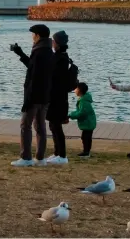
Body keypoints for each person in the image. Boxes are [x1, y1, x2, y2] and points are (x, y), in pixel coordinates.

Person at [10, 23, 53, 167]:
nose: (32, 37)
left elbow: (33, 76)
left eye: (33, 35)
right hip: (45, 96)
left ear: (38, 35)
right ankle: (40, 158)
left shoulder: (39, 51)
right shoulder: (48, 51)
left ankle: (26, 157)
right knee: (40, 126)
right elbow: (34, 67)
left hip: (34, 96)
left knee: (25, 125)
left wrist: (27, 100)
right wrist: (21, 54)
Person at [45, 30, 77, 164]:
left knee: (56, 126)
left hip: (58, 97)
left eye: (53, 41)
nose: (52, 43)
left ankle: (62, 155)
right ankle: (57, 152)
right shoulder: (60, 56)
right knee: (53, 125)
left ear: (57, 43)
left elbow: (56, 78)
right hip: (56, 96)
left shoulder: (61, 58)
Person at [68, 82, 97, 157]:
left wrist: (71, 115)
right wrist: (71, 114)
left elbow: (81, 113)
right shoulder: (84, 99)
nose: (75, 90)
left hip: (88, 122)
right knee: (87, 137)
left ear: (79, 90)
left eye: (76, 89)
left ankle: (86, 152)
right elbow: (80, 111)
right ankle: (87, 151)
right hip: (89, 121)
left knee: (85, 137)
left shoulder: (83, 101)